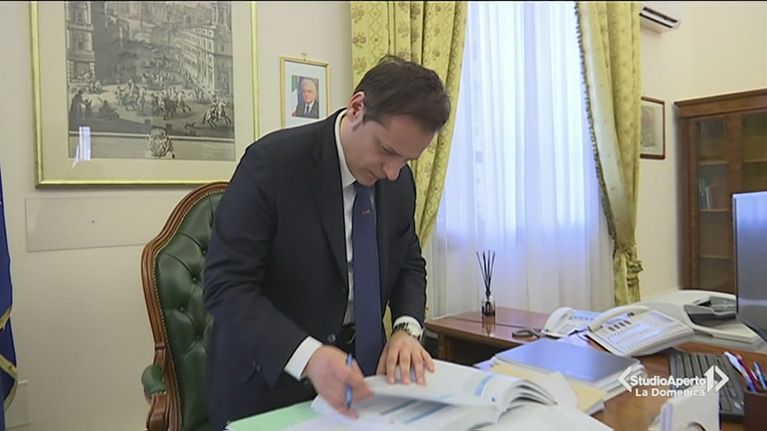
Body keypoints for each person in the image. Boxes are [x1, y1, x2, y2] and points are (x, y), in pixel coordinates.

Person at [203, 55, 451, 430]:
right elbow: (226, 286)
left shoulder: (399, 182)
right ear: (357, 108)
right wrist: (309, 357)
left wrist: (406, 328)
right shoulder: (272, 165)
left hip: (367, 386)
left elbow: (408, 262)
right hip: (270, 388)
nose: (391, 172)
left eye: (407, 159)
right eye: (387, 151)